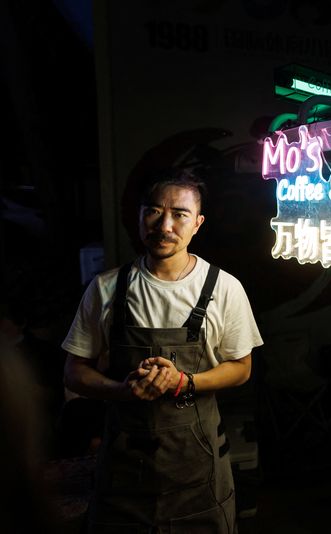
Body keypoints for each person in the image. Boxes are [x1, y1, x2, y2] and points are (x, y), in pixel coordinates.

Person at [62, 170, 263, 533]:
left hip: (198, 464)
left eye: (180, 214)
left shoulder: (225, 288)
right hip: (123, 468)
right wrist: (122, 390)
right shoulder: (107, 287)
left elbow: (242, 368)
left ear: (198, 223)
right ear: (140, 217)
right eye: (154, 211)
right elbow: (74, 371)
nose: (165, 224)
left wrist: (184, 382)